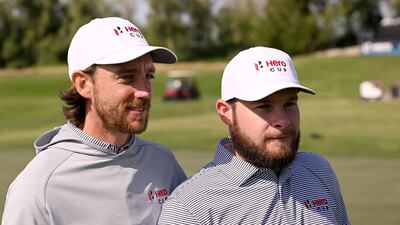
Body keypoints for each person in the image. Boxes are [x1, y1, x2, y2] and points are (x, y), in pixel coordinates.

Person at [2, 17, 187, 225]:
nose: (144, 91)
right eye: (127, 77)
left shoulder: (163, 163)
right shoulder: (39, 185)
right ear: (83, 84)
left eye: (149, 76)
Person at [158, 47, 350, 225]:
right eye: (264, 106)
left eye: (290, 104)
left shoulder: (319, 170)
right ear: (225, 112)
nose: (282, 120)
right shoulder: (188, 209)